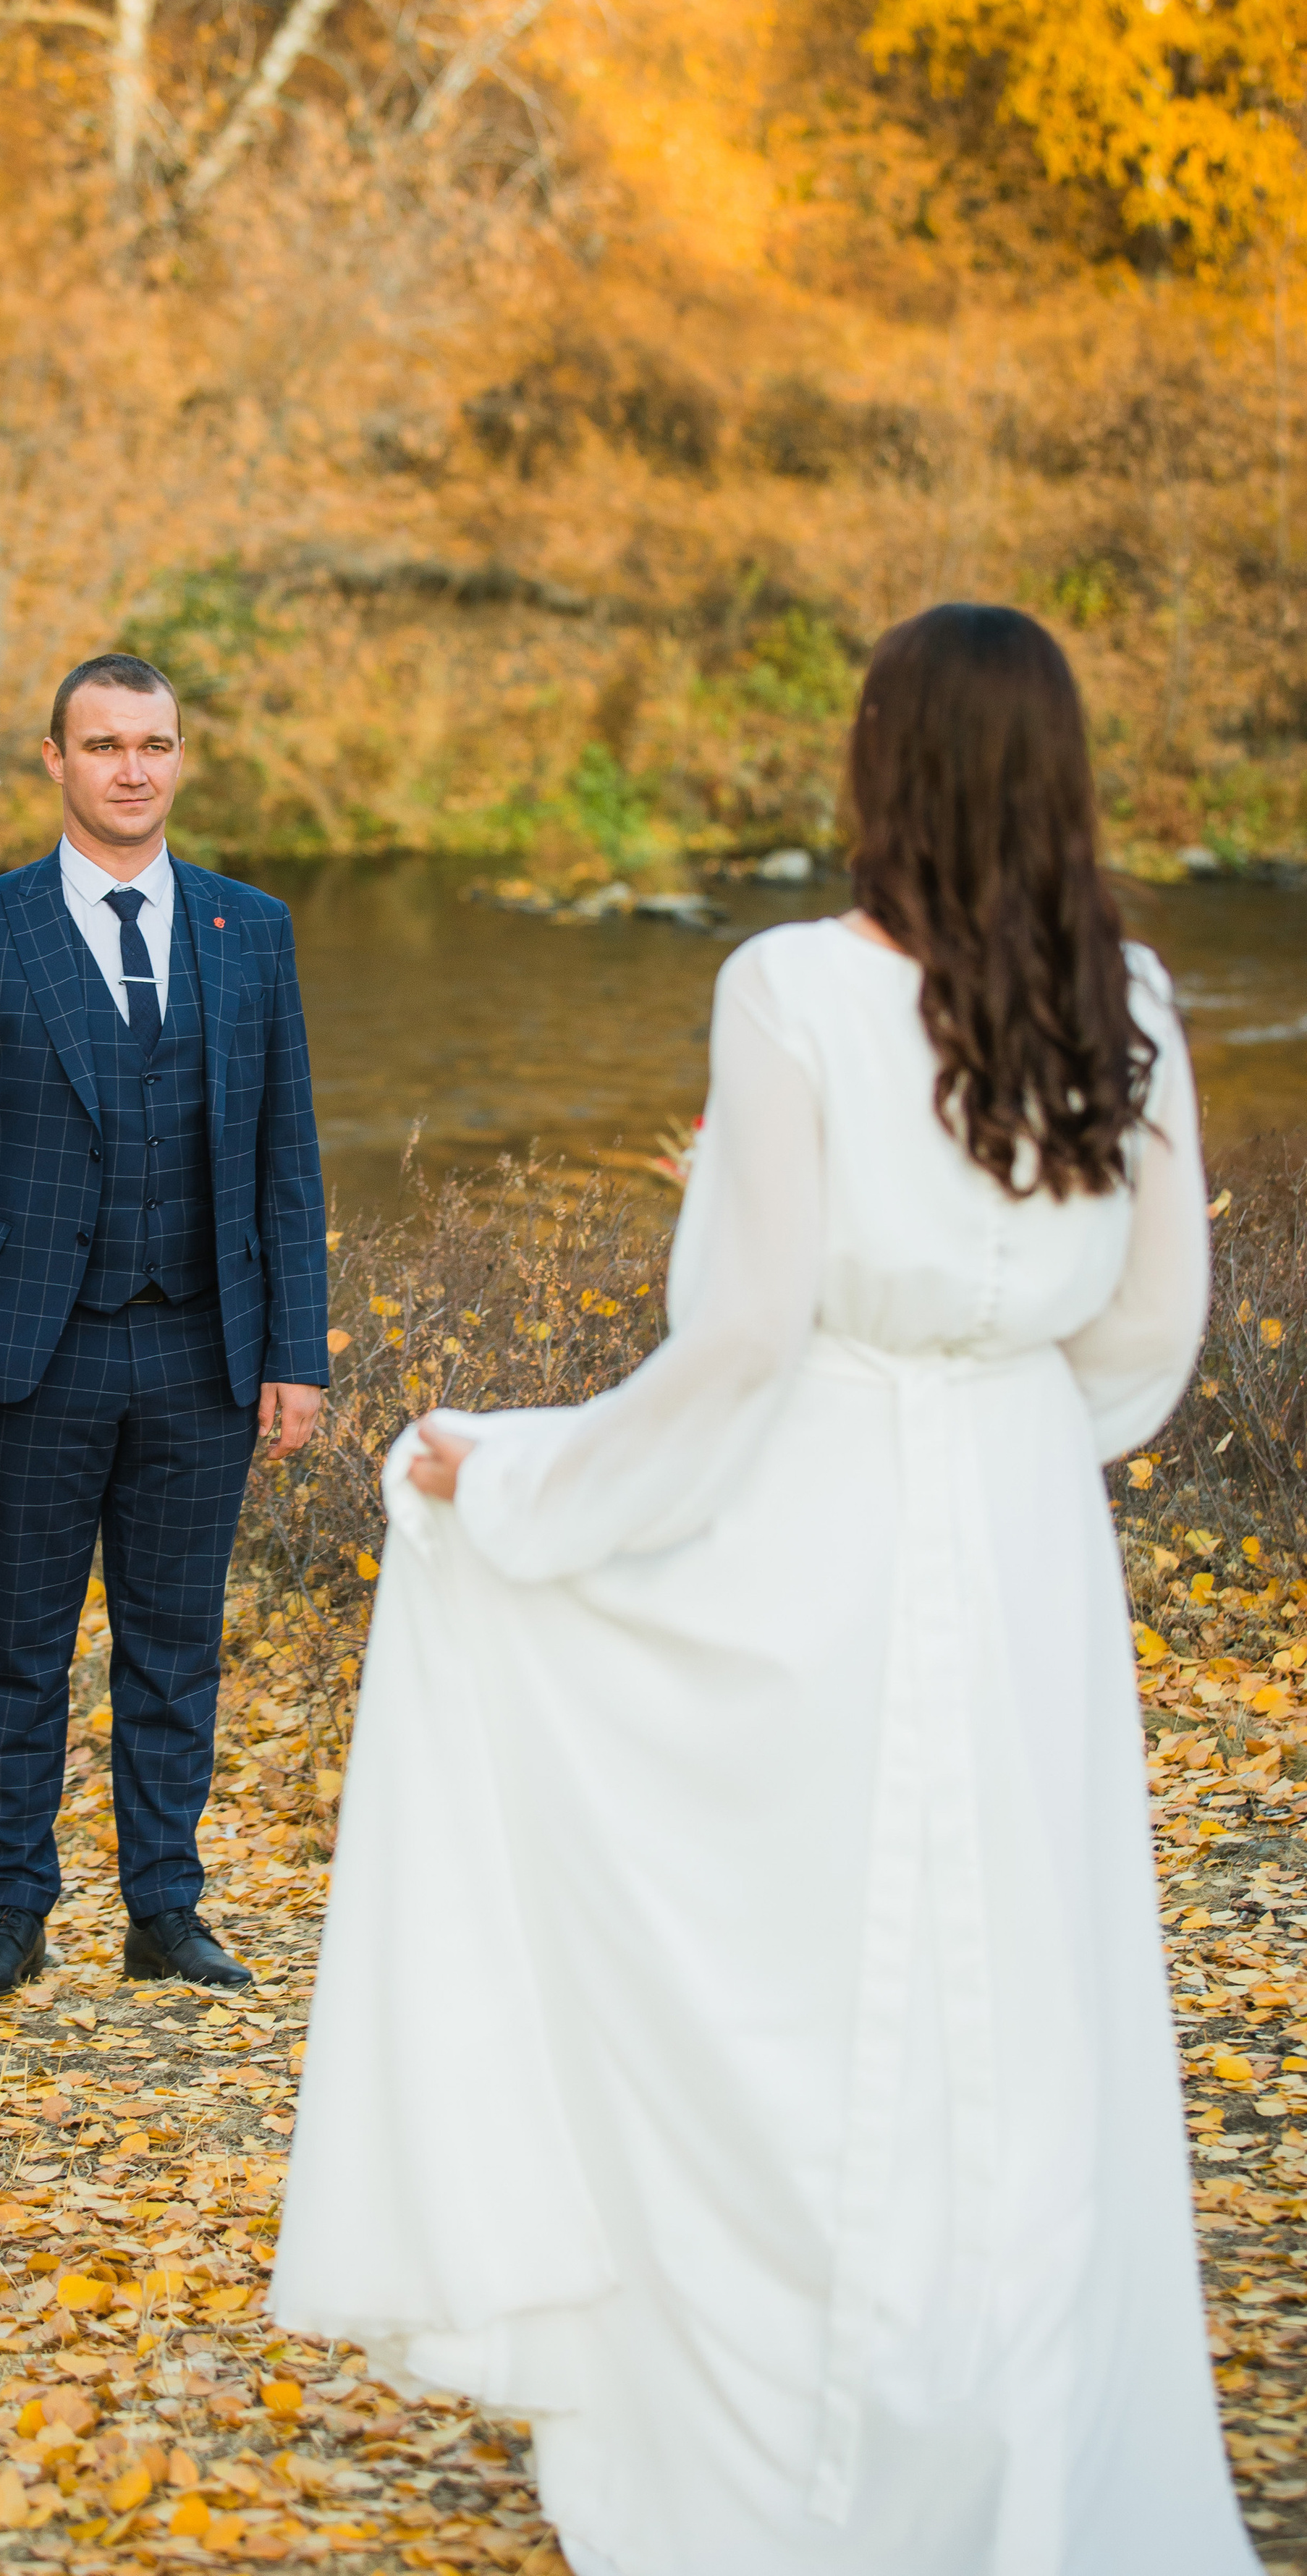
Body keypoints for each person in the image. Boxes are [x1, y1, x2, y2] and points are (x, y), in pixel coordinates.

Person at [271, 605, 1258, 2573]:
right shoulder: (1126, 994)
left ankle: (799, 2451)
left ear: (883, 767)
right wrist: (1009, 1431)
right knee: (1022, 1979)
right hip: (1023, 1515)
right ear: (1057, 771)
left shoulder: (795, 985)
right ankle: (1035, 2453)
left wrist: (523, 1474)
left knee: (806, 1971)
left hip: (823, 1501)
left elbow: (741, 1343)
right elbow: (1155, 1335)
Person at [0, 651, 329, 1998]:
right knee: (19, 1648)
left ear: (179, 757)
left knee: (175, 1643)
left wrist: (295, 1354)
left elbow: (286, 1158)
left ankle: (165, 1911)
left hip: (203, 1351)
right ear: (55, 761)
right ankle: (12, 1914)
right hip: (33, 1356)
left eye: (154, 745)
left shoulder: (249, 931)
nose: (133, 770)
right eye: (104, 747)